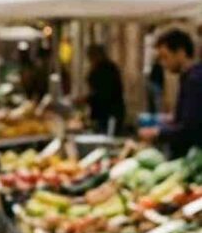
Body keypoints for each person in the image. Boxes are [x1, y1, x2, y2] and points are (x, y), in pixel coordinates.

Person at [140, 28, 202, 156]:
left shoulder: (194, 80)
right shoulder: (187, 78)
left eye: (165, 57)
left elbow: (190, 129)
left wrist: (158, 133)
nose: (163, 63)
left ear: (180, 52)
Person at [86, 43, 126, 135]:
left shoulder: (106, 70)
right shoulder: (104, 68)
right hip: (105, 112)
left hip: (110, 113)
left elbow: (104, 93)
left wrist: (86, 99)